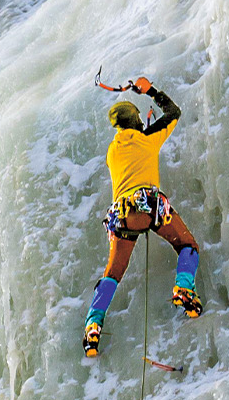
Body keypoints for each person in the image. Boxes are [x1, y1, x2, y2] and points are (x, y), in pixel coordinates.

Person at [83, 77, 202, 358]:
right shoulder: (148, 139)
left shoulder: (113, 151)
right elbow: (173, 113)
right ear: (135, 119)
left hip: (122, 216)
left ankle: (92, 326)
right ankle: (184, 288)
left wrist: (142, 130)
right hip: (149, 206)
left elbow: (135, 143)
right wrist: (150, 91)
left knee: (113, 273)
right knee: (187, 245)